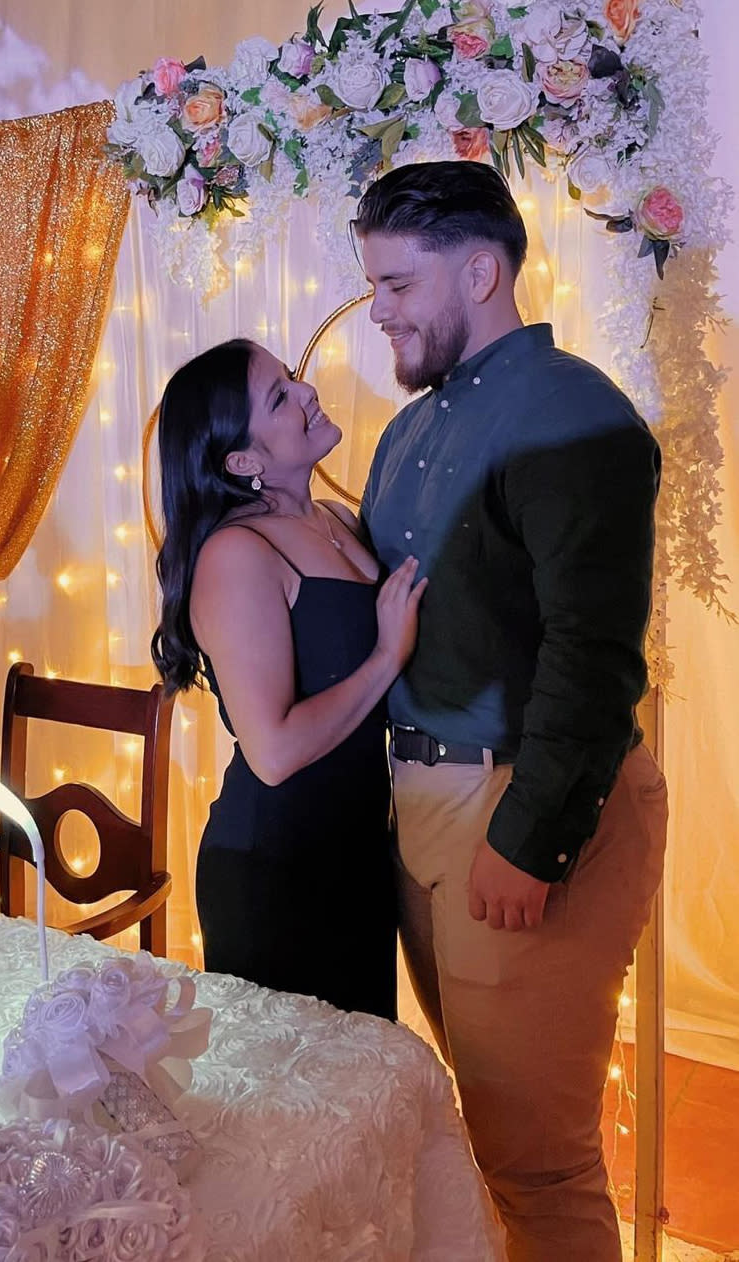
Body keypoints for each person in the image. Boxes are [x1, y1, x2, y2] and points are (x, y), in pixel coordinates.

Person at [355, 161, 668, 1261]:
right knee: (483, 1142)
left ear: (479, 271)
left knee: (538, 1160)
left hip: (515, 808)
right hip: (425, 810)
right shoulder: (405, 432)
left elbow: (592, 658)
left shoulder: (574, 414)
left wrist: (528, 841)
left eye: (396, 286)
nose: (378, 311)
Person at [151, 338, 426, 1021]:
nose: (307, 393)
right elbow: (271, 752)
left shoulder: (334, 519)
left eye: (292, 378)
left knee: (361, 1097)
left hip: (356, 852)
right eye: (280, 396)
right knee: (294, 1108)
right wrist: (386, 659)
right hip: (276, 869)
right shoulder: (237, 553)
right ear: (242, 461)